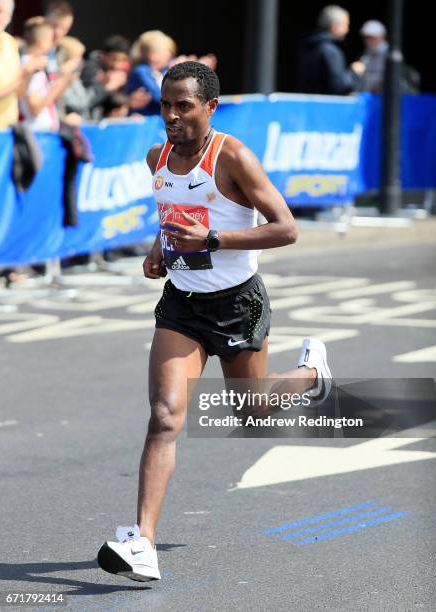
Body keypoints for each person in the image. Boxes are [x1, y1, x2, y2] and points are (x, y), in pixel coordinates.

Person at [96, 61, 332, 582]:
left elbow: (286, 228)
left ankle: (311, 373)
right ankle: (142, 543)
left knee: (254, 415)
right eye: (165, 105)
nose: (172, 116)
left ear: (210, 107)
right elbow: (172, 219)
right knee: (165, 415)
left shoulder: (233, 157)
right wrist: (160, 251)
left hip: (237, 303)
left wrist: (213, 242)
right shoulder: (155, 156)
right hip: (182, 305)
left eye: (184, 105)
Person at [19, 18, 79, 131]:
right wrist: (59, 83)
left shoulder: (35, 64)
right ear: (42, 41)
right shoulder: (30, 66)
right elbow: (35, 110)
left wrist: (65, 80)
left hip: (42, 134)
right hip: (36, 135)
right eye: (51, 39)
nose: (53, 43)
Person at [0, 0, 46, 130]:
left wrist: (29, 74)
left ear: (9, 17)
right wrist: (23, 74)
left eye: (0, 11)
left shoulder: (10, 43)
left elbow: (17, 93)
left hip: (8, 131)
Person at [297, 5, 364, 95]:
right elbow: (339, 87)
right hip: (327, 105)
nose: (347, 30)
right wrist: (354, 72)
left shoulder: (309, 46)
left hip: (307, 103)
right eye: (345, 25)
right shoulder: (331, 51)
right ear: (334, 26)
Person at [126, 30, 177, 116]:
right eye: (169, 52)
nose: (171, 57)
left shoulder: (163, 71)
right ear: (153, 55)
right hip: (145, 122)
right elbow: (158, 96)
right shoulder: (141, 71)